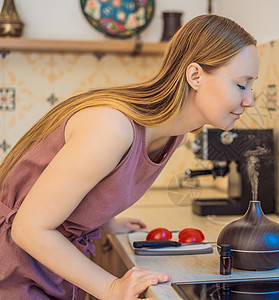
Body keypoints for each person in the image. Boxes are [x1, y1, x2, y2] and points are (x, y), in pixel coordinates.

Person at [0, 14, 259, 299]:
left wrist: (98, 219)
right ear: (195, 76)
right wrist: (111, 287)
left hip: (46, 264)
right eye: (241, 84)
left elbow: (63, 195)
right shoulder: (111, 127)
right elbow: (28, 229)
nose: (250, 100)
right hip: (14, 266)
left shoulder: (173, 134)